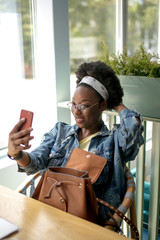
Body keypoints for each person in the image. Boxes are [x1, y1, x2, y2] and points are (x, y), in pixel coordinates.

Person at [8, 60, 144, 226]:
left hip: (86, 225)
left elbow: (132, 130)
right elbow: (34, 163)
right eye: (73, 103)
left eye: (84, 105)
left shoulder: (114, 141)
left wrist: (115, 101)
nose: (76, 110)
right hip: (47, 214)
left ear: (102, 105)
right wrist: (17, 154)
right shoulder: (60, 132)